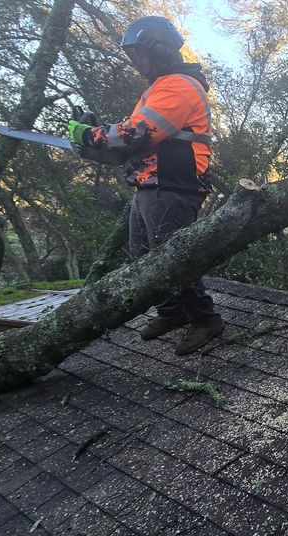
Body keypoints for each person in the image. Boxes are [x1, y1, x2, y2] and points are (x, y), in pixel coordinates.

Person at [66, 15, 224, 355]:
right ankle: (172, 311)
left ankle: (205, 319)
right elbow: (133, 140)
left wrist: (91, 135)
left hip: (173, 184)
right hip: (152, 184)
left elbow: (138, 133)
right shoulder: (161, 86)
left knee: (173, 257)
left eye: (141, 54)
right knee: (143, 256)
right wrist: (97, 142)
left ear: (160, 50)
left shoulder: (179, 85)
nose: (138, 62)